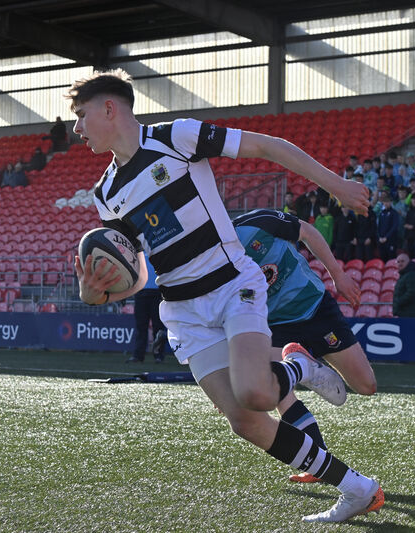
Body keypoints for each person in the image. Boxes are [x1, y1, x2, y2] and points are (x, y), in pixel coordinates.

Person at [68, 69, 381, 523]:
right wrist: (92, 292)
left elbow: (267, 146)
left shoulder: (177, 137)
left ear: (109, 108)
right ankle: (357, 489)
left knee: (255, 392)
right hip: (183, 311)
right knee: (246, 421)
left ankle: (299, 365)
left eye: (80, 115)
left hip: (232, 285)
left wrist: (335, 184)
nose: (77, 128)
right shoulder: (106, 194)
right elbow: (133, 278)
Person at [232, 209, 377, 480]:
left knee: (366, 386)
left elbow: (307, 232)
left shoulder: (257, 223)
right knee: (273, 389)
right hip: (276, 326)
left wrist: (338, 275)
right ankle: (317, 461)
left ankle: (307, 366)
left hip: (316, 308)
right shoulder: (213, 261)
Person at [127, 254, 167, 363]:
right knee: (141, 326)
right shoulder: (137, 251)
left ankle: (158, 355)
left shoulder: (156, 248)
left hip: (157, 293)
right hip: (140, 292)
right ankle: (138, 356)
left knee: (157, 327)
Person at [392, 253, 415, 318]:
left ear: (408, 262)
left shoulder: (411, 274)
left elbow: (412, 292)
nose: (400, 264)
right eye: (398, 262)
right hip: (403, 313)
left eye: (402, 261)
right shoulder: (403, 275)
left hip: (409, 314)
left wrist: (399, 302)